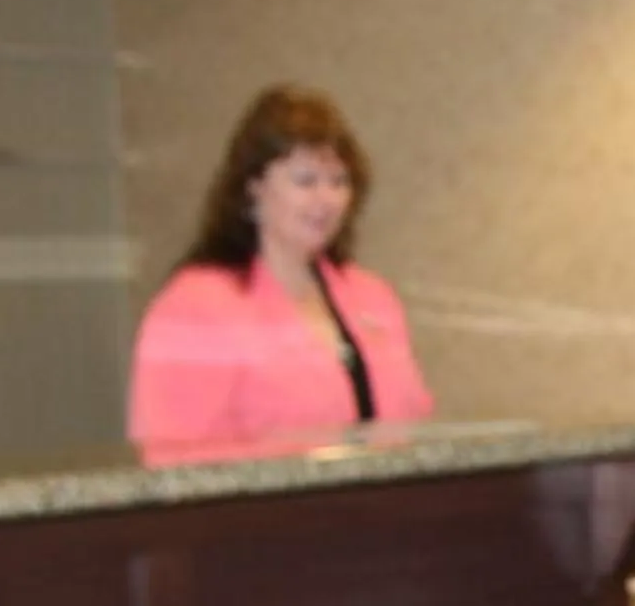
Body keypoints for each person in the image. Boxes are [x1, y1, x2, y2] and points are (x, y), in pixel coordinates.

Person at [126, 85, 434, 449]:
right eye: (306, 181)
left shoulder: (372, 297)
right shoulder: (194, 308)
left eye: (339, 181)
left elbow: (413, 427)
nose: (327, 199)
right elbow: (176, 464)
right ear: (253, 187)